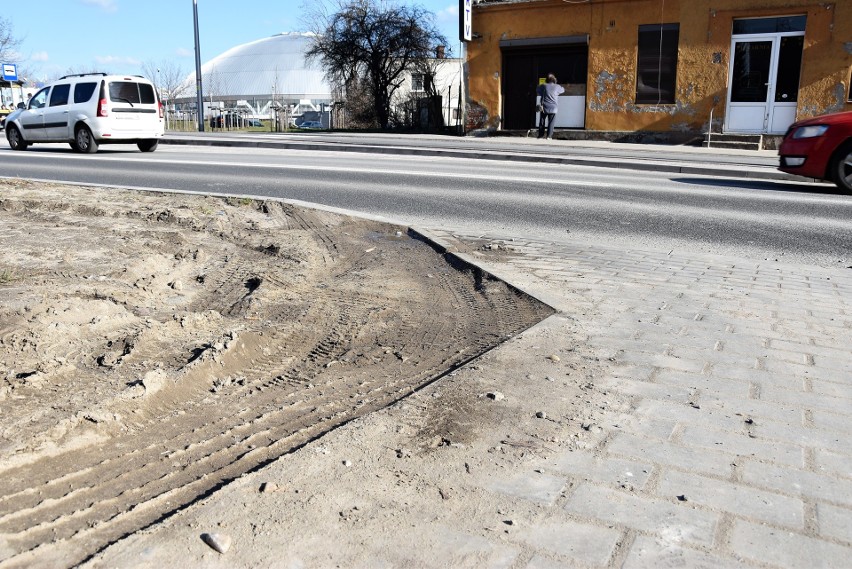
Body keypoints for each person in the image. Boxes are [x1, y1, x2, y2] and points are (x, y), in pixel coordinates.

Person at [536, 73, 565, 140]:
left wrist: (543, 93)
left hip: (544, 106)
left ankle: (540, 136)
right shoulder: (557, 86)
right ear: (554, 80)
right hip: (553, 107)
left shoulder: (543, 85)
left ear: (546, 80)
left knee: (542, 121)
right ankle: (549, 136)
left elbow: (537, 89)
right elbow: (563, 90)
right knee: (551, 122)